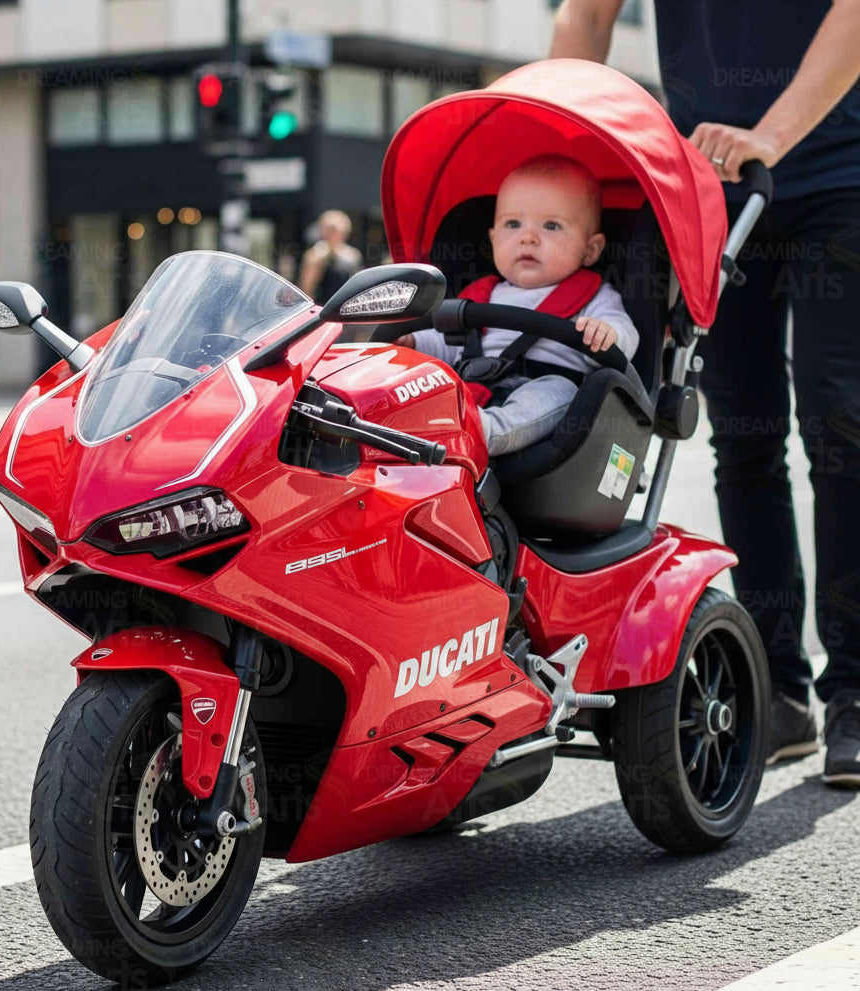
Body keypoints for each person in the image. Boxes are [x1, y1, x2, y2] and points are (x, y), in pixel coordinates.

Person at [551, 0, 860, 787]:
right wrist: (571, 152)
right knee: (742, 434)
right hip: (709, 185)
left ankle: (854, 693)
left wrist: (772, 137)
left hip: (840, 170)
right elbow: (585, 18)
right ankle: (779, 690)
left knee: (840, 423)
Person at [397, 156, 637, 457]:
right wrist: (414, 342)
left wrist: (610, 333)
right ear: (494, 239)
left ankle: (486, 432)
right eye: (513, 224)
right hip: (469, 384)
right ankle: (411, 423)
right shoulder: (482, 295)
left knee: (557, 393)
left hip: (545, 381)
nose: (527, 238)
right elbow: (450, 345)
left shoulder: (595, 295)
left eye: (551, 226)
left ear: (591, 250)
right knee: (424, 380)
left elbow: (625, 332)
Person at [298, 210, 363, 303]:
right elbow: (306, 288)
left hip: (346, 305)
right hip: (323, 307)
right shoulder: (315, 254)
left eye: (334, 230)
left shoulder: (353, 254)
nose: (331, 234)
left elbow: (357, 285)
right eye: (328, 229)